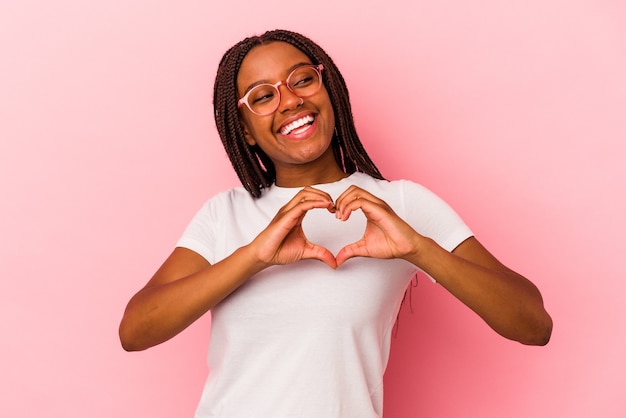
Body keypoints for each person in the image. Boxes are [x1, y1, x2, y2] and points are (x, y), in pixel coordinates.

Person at [119, 29, 552, 417]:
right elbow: (136, 329)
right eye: (263, 96)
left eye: (302, 80)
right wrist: (254, 257)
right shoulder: (226, 213)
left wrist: (419, 248)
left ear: (330, 90)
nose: (290, 100)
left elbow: (533, 324)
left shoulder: (401, 203)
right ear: (246, 130)